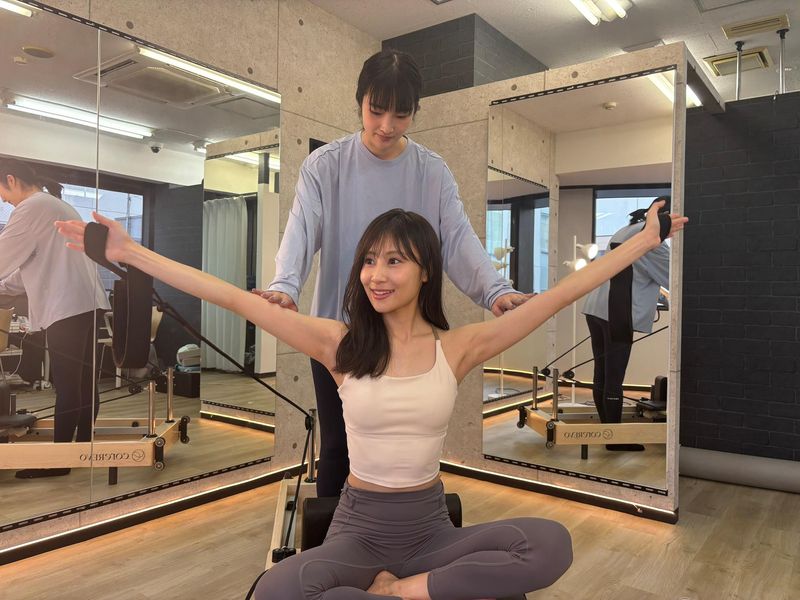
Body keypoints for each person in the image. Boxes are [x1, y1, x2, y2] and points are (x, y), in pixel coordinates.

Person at [57, 201, 686, 599]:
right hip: (357, 530)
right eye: (368, 261)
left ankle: (406, 592)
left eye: (394, 261)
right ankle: (414, 590)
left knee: (551, 542)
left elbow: (558, 296)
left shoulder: (457, 348)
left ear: (425, 271)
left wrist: (643, 241)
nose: (376, 275)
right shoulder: (339, 345)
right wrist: (127, 252)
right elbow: (229, 297)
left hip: (430, 530)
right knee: (274, 591)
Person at [257, 49, 532, 497]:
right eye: (376, 110)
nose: (386, 125)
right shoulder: (325, 166)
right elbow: (300, 232)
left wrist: (495, 291)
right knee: (339, 448)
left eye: (401, 115)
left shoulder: (432, 172)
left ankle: (399, 533)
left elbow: (458, 240)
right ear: (360, 101)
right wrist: (284, 286)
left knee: (406, 456)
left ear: (415, 111)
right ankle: (339, 540)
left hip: (409, 336)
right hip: (341, 335)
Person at [0, 158, 110, 478]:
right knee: (83, 382)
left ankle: (60, 461)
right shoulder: (56, 206)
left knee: (68, 384)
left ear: (11, 180)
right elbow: (27, 269)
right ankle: (82, 448)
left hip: (67, 306)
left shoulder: (31, 207)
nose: (4, 201)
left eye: (1, 194)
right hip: (87, 303)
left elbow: (4, 256)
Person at [582, 196, 672, 452]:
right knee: (614, 376)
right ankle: (614, 439)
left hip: (596, 306)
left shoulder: (628, 229)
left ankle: (607, 432)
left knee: (602, 372)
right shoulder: (652, 240)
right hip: (617, 311)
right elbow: (674, 277)